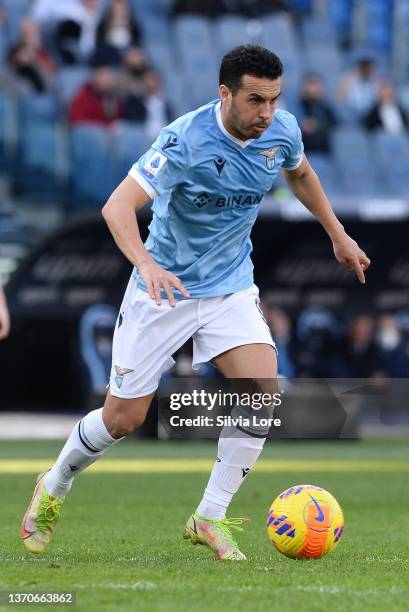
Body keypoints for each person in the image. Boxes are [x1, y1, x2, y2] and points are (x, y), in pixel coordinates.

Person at [21, 45, 370, 561]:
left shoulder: (282, 130)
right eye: (255, 100)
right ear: (225, 94)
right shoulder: (184, 139)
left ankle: (209, 516)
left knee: (261, 391)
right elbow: (117, 206)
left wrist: (337, 234)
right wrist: (146, 265)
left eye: (274, 100)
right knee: (123, 420)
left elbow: (299, 174)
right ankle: (54, 484)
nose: (266, 113)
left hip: (230, 286)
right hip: (164, 290)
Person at [299, 73, 337, 154]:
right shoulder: (298, 106)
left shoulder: (326, 108)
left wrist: (317, 125)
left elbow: (335, 125)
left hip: (323, 152)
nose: (313, 88)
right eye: (310, 83)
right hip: (303, 153)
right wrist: (302, 126)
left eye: (315, 84)